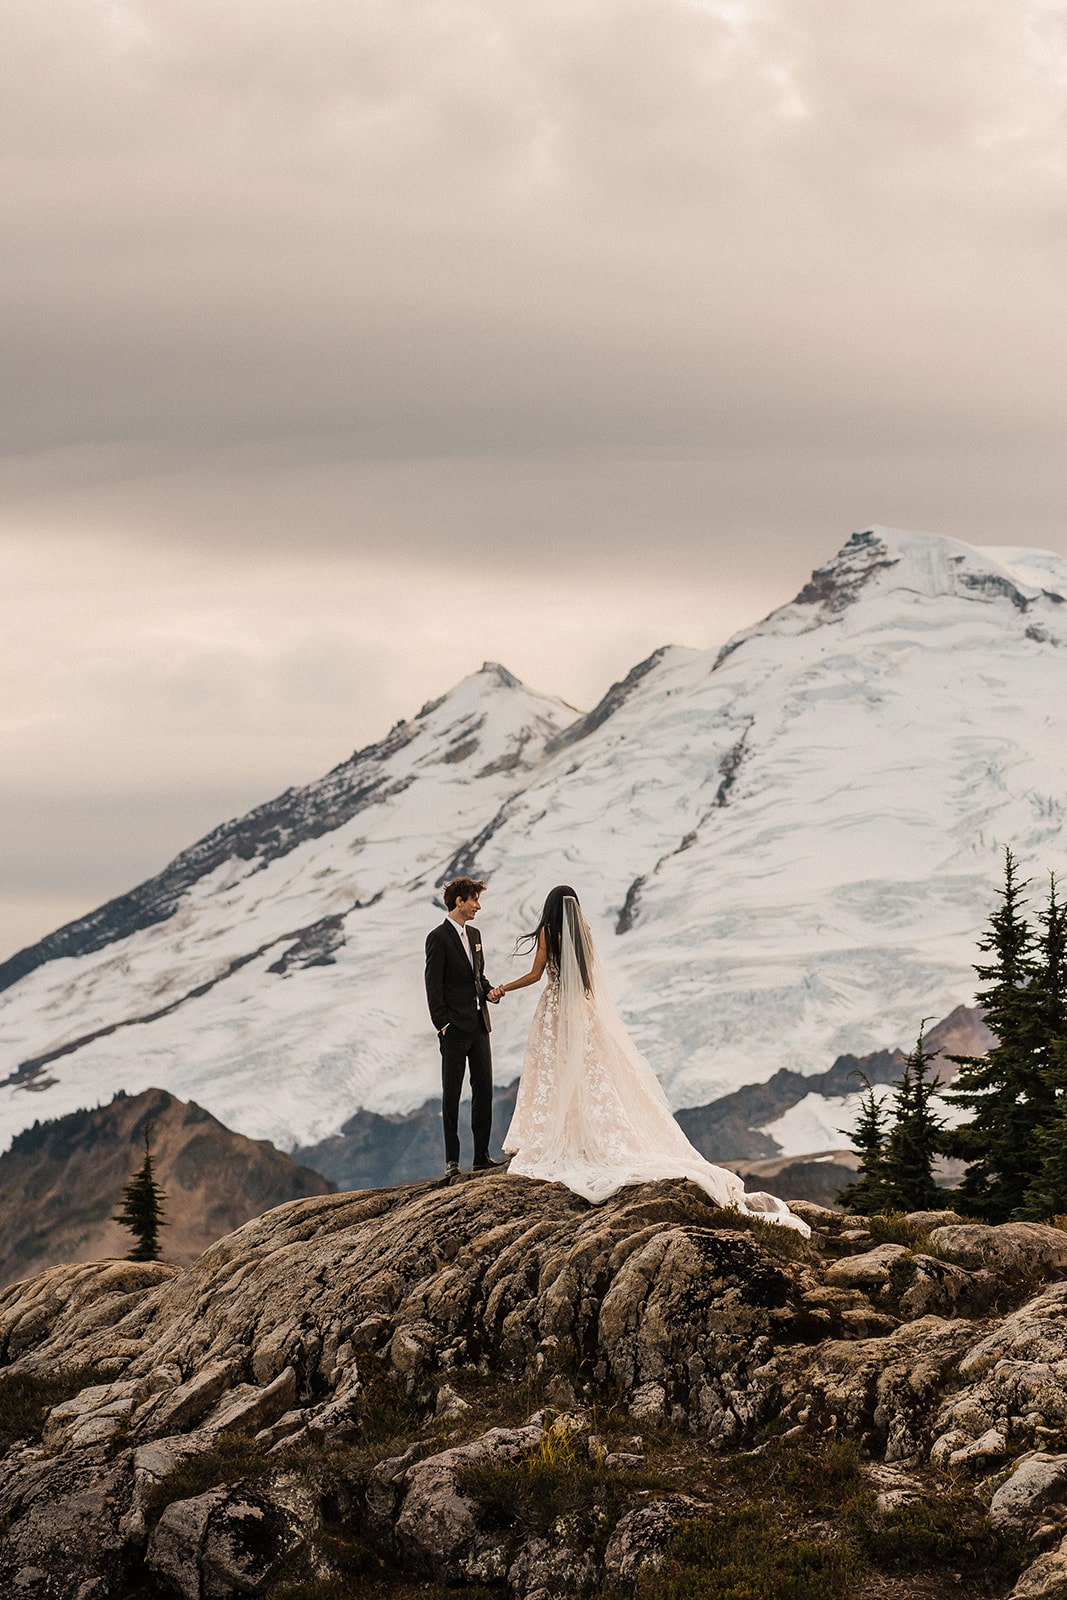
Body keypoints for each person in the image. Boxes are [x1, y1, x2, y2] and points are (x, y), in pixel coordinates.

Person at [488, 886, 809, 1232]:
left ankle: (558, 1134)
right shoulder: (584, 933)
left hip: (555, 1009)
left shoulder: (549, 932)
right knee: (591, 1073)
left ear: (550, 907)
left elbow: (537, 975)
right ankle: (584, 1133)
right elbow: (589, 978)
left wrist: (503, 988)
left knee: (555, 1071)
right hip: (582, 1008)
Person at [425, 877, 504, 1178]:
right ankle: (452, 1162)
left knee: (483, 1090)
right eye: (473, 900)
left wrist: (490, 992)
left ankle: (481, 1156)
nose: (478, 906)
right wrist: (442, 1024)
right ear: (459, 901)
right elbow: (433, 985)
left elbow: (478, 977)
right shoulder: (438, 937)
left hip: (479, 1025)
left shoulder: (475, 935)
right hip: (454, 1028)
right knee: (452, 1094)